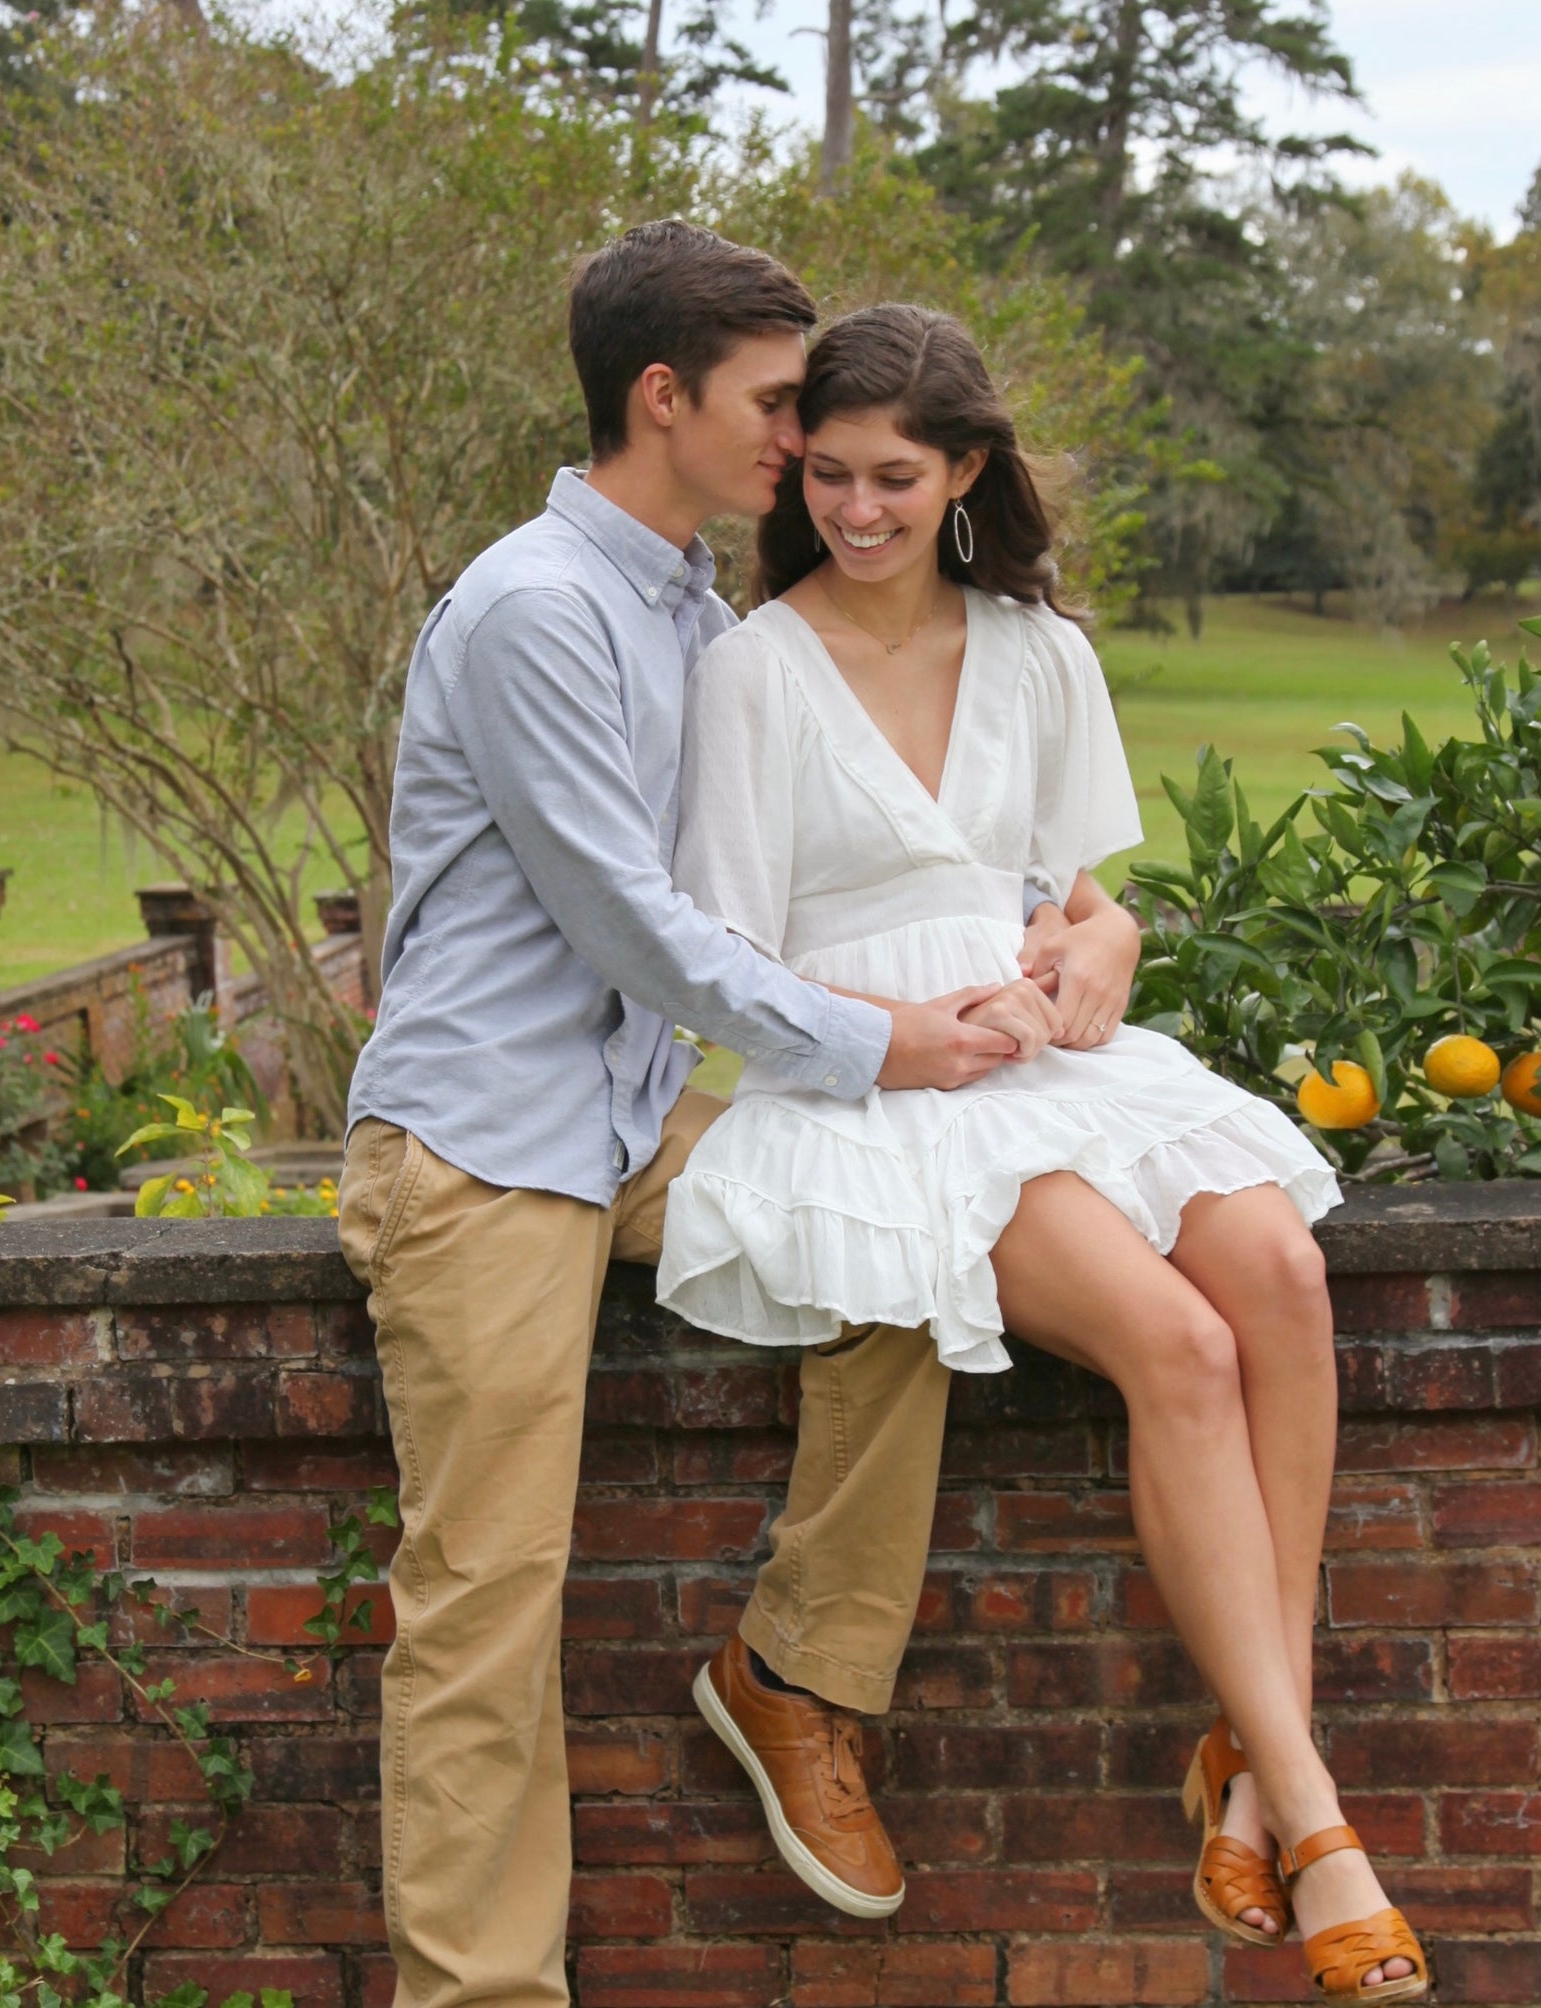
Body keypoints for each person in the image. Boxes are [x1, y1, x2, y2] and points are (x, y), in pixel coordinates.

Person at [657, 303, 1431, 2005]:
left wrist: (1111, 946)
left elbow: (1076, 893)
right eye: (831, 476)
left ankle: (1247, 1748)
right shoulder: (751, 667)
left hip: (1055, 1067)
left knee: (1282, 1276)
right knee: (1179, 1342)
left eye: (895, 477)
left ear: (969, 473)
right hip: (881, 1098)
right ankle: (1310, 1814)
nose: (856, 509)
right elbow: (721, 948)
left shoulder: (1038, 649)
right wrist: (905, 1023)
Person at [334, 226, 1038, 2007]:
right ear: (664, 398)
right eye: (779, 406)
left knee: (901, 1247)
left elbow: (753, 895)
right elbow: (633, 924)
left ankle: (793, 1669)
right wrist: (876, 1040)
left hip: (634, 1121)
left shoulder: (690, 613)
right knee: (488, 1612)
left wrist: (1041, 936)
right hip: (486, 1152)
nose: (804, 450)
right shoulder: (537, 609)